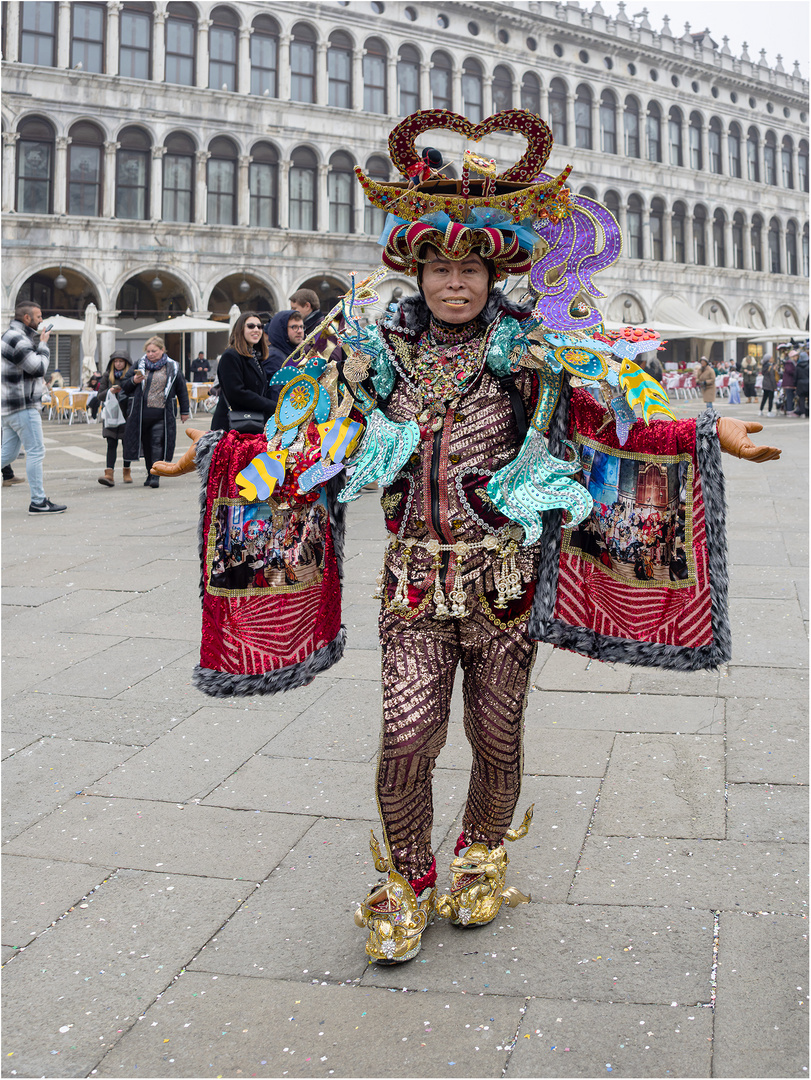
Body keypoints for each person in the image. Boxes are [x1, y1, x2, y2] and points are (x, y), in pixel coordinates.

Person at [153, 107, 780, 965]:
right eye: (439, 266)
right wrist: (225, 452)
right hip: (413, 580)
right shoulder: (369, 352)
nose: (455, 282)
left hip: (505, 581)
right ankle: (406, 879)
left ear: (492, 272)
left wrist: (707, 434)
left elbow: (613, 425)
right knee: (408, 735)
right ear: (416, 267)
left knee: (497, 733)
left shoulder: (531, 354)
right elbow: (306, 440)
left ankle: (479, 853)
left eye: (470, 267)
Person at [1, 302, 67, 514]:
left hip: (11, 407)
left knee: (8, 455)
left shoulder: (12, 336)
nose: (41, 320)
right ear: (26, 318)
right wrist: (44, 344)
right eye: (38, 317)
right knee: (36, 451)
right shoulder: (17, 339)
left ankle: (38, 501)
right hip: (23, 405)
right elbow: (38, 368)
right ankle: (38, 502)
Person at [121, 336, 189, 487]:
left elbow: (182, 390)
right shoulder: (140, 364)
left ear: (162, 350)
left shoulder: (173, 366)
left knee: (156, 443)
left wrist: (185, 410)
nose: (150, 354)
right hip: (141, 414)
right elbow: (124, 385)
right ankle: (150, 472)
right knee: (146, 445)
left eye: (154, 351)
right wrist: (134, 381)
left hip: (162, 414)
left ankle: (156, 476)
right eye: (148, 351)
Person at [210, 312, 278, 433]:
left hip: (251, 423)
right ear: (240, 329)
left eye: (259, 326)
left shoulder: (254, 356)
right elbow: (237, 393)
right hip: (232, 426)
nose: (256, 329)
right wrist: (271, 405)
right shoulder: (231, 356)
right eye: (251, 326)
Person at [96, 350, 134, 486]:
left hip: (126, 415)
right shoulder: (107, 376)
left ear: (126, 363)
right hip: (111, 416)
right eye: (116, 361)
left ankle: (126, 471)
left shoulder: (130, 376)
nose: (118, 364)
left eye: (121, 361)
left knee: (126, 444)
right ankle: (109, 474)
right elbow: (99, 395)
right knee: (111, 444)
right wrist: (110, 391)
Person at [263, 309, 305, 392]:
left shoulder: (292, 353)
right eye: (294, 327)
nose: (300, 331)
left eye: (301, 327)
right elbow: (276, 393)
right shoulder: (275, 356)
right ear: (282, 329)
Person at [781, 350, 797, 415]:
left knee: (791, 396)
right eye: (795, 356)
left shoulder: (792, 362)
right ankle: (789, 410)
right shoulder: (789, 363)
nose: (796, 357)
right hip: (789, 383)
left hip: (790, 383)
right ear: (792, 356)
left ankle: (790, 409)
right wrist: (796, 371)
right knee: (790, 396)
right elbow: (790, 371)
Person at [794, 347, 809, 417]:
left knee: (802, 399)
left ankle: (802, 413)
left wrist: (795, 384)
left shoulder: (798, 366)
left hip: (800, 384)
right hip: (809, 383)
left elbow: (795, 376)